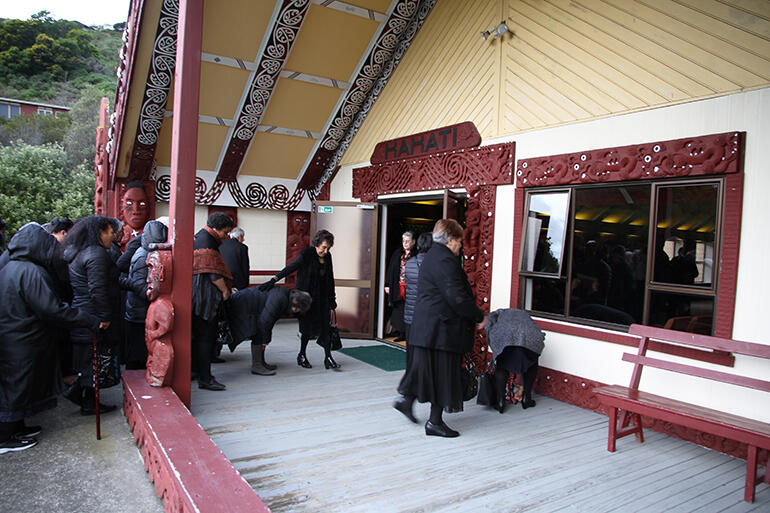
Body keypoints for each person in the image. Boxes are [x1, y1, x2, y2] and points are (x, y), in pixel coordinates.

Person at [0, 223, 104, 454]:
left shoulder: (11, 267)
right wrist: (87, 319)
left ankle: (17, 427)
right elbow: (52, 309)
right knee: (17, 387)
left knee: (19, 385)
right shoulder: (30, 272)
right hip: (22, 340)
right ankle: (5, 436)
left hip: (16, 337)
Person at [396, 219, 485, 437]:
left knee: (427, 370)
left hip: (427, 326)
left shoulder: (432, 256)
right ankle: (434, 422)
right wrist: (477, 316)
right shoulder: (445, 260)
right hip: (441, 329)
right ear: (451, 240)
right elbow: (456, 297)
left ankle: (407, 401)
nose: (460, 246)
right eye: (458, 241)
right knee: (442, 375)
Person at [63, 216, 122, 415]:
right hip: (92, 315)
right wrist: (104, 317)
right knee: (92, 362)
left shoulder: (80, 253)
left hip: (84, 312)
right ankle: (80, 395)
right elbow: (97, 289)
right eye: (110, 232)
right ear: (100, 232)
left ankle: (89, 401)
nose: (113, 236)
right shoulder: (96, 254)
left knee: (89, 361)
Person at [260, 229, 338, 370]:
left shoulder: (328, 257)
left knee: (326, 329)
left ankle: (328, 357)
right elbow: (291, 268)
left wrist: (333, 299)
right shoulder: (306, 254)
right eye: (323, 247)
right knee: (306, 330)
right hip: (306, 300)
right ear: (317, 244)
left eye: (328, 248)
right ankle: (302, 355)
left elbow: (330, 279)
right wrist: (273, 280)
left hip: (323, 299)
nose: (325, 251)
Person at [392, 232, 432, 423]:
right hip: (424, 318)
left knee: (414, 356)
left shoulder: (409, 263)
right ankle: (408, 394)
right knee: (423, 360)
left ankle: (407, 394)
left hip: (410, 315)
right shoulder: (431, 266)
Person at [192, 212, 234, 391]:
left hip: (197, 297)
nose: (225, 237)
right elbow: (213, 273)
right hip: (205, 299)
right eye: (225, 232)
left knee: (199, 337)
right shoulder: (206, 242)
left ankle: (196, 371)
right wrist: (225, 290)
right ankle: (205, 378)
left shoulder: (199, 237)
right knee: (205, 338)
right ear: (216, 229)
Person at [227, 287, 312, 375]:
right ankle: (257, 365)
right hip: (242, 305)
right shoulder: (280, 299)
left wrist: (266, 339)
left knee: (260, 332)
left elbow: (270, 320)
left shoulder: (285, 296)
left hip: (248, 304)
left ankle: (261, 362)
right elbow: (265, 320)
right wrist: (265, 340)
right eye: (299, 309)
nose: (296, 312)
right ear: (295, 306)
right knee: (258, 332)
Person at [124, 220, 168, 370]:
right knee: (139, 352)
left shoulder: (146, 253)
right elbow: (139, 285)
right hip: (139, 310)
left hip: (140, 308)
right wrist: (150, 292)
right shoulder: (143, 257)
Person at [483, 308, 545, 413]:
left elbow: (491, 339)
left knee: (502, 366)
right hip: (531, 337)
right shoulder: (516, 314)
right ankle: (527, 398)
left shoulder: (491, 319)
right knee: (532, 364)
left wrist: (497, 354)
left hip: (507, 339)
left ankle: (500, 402)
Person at [385, 231, 415, 341]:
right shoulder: (398, 253)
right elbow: (391, 270)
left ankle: (409, 334)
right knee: (399, 310)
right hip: (398, 286)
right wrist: (387, 284)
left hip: (411, 287)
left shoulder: (416, 254)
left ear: (413, 242)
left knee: (410, 310)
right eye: (403, 241)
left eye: (408, 241)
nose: (405, 243)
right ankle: (401, 333)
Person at [119, 181, 150, 250]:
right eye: (129, 203)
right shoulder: (119, 235)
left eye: (142, 204)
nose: (136, 211)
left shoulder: (150, 235)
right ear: (121, 207)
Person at [220, 226, 250, 291]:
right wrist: (246, 284)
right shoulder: (242, 247)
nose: (243, 240)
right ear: (239, 237)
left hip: (222, 280)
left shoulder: (221, 245)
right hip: (237, 282)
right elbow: (245, 266)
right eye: (243, 237)